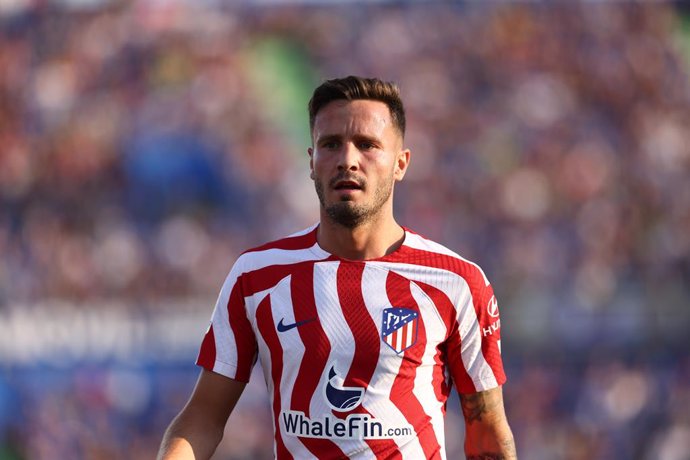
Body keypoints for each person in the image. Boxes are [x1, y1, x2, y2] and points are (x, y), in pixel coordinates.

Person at [158, 76, 516, 459]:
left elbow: (487, 432)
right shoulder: (257, 277)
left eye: (367, 145)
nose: (348, 159)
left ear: (401, 163)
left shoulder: (456, 282)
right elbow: (203, 417)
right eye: (331, 145)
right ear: (311, 161)